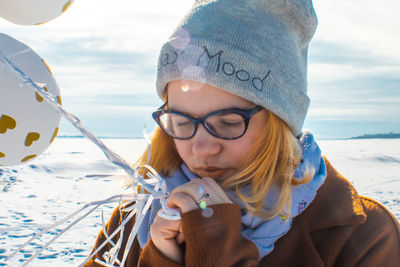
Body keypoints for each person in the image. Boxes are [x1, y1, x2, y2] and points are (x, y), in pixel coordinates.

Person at [85, 0, 400, 266]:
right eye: (181, 122)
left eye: (228, 122)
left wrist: (214, 250)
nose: (201, 148)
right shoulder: (135, 219)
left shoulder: (360, 236)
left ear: (281, 121)